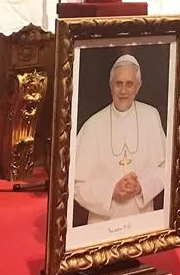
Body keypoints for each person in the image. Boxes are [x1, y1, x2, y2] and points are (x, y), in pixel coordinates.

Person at [72, 55, 168, 224]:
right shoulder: (93, 125)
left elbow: (166, 168)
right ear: (111, 86)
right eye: (119, 84)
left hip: (143, 216)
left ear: (138, 87)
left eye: (129, 84)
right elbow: (76, 185)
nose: (123, 91)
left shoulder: (151, 116)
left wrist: (141, 187)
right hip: (102, 222)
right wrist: (111, 192)